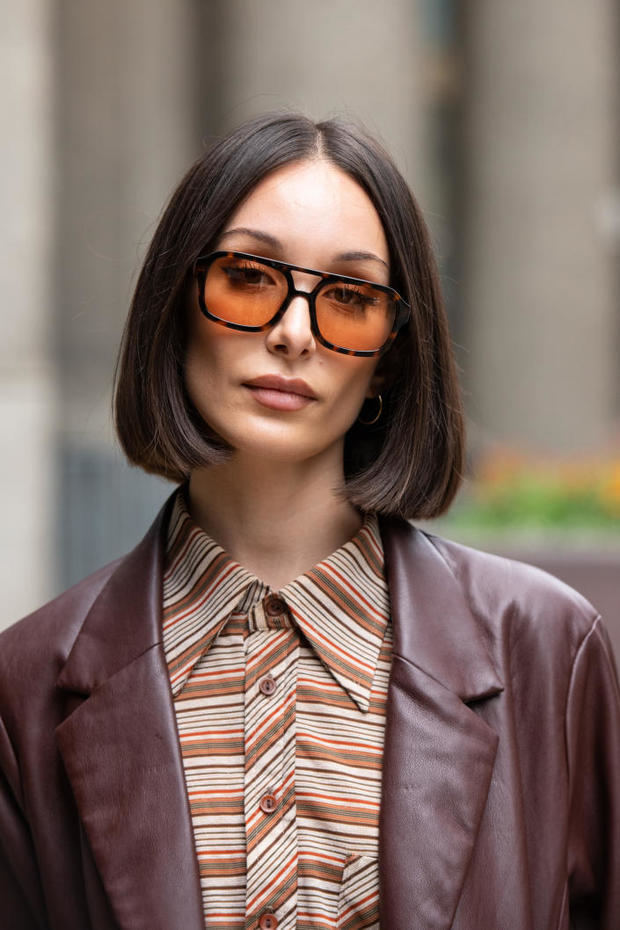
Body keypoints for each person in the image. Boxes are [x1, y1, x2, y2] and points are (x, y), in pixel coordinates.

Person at [0, 112, 618, 930]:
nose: (293, 334)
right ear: (177, 303)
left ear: (389, 353)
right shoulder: (25, 690)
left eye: (351, 298)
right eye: (249, 278)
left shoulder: (548, 650)